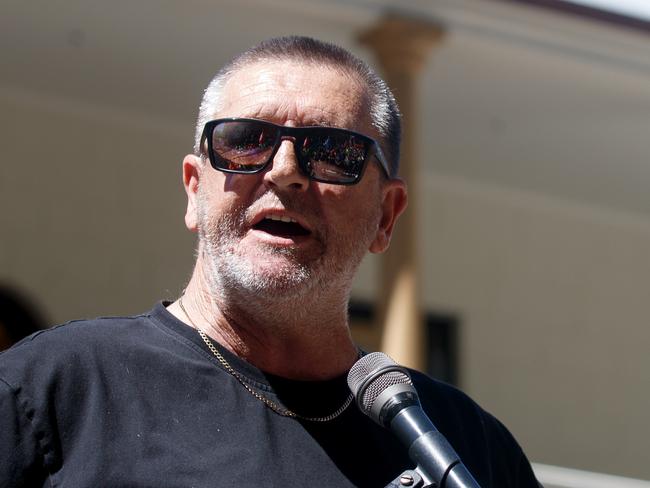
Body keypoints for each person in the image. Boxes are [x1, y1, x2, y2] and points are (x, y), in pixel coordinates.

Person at [0, 36, 540, 487]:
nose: (285, 172)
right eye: (244, 141)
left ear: (386, 215)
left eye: (332, 151)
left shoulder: (465, 446)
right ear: (194, 190)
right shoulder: (53, 392)